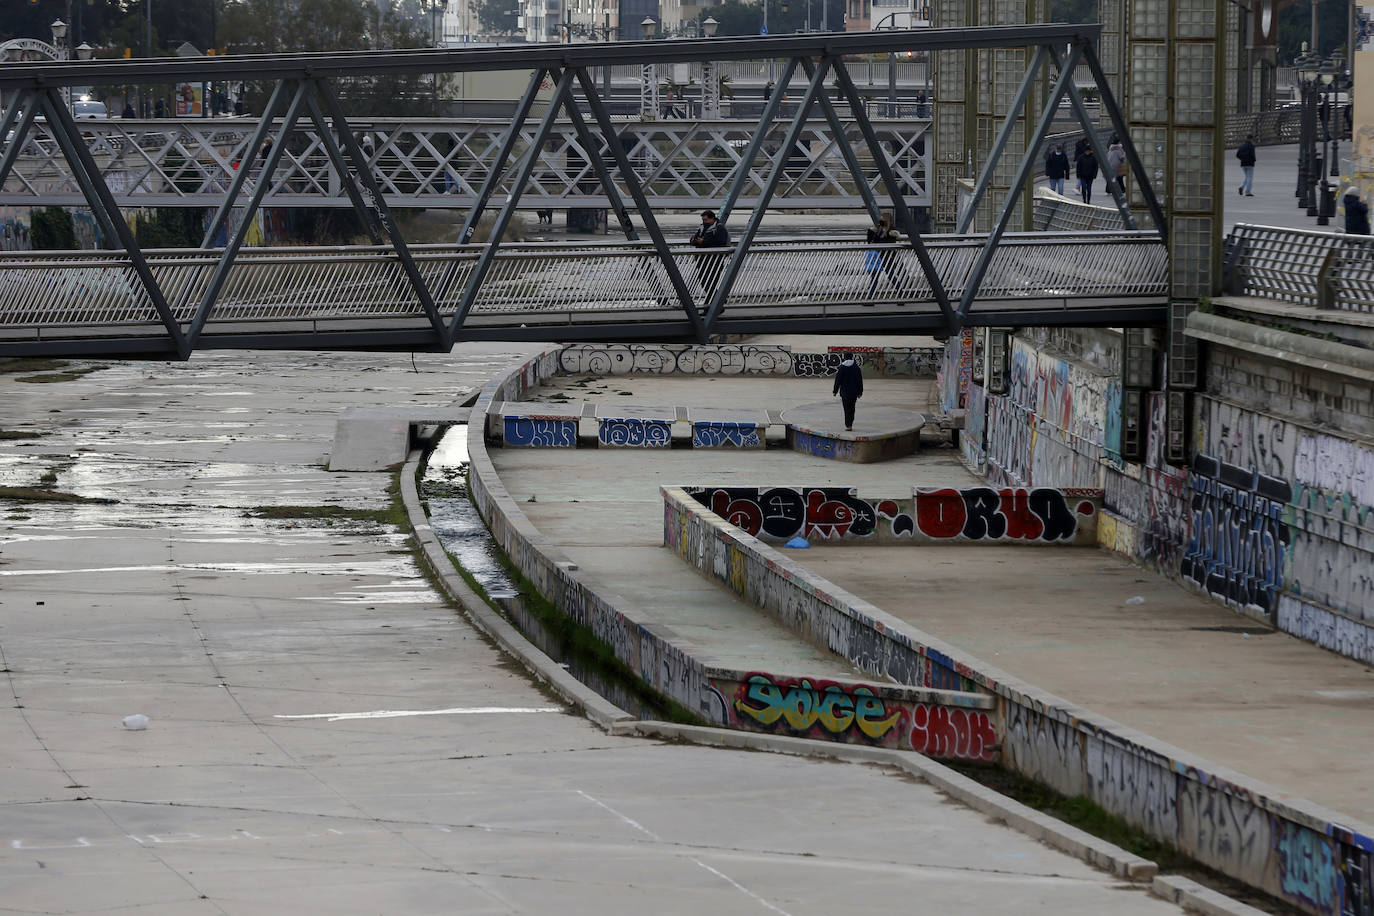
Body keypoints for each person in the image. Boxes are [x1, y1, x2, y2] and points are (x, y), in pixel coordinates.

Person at [689, 209, 730, 303]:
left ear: (713, 219)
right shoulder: (702, 228)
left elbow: (721, 242)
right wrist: (694, 241)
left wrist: (703, 242)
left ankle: (713, 306)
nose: (704, 222)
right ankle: (718, 302)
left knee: (710, 283)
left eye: (706, 220)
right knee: (704, 281)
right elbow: (693, 238)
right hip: (702, 259)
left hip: (714, 260)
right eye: (703, 220)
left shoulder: (720, 228)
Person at [864, 215, 900, 299]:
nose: (881, 222)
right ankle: (870, 296)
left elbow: (886, 243)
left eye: (882, 220)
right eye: (880, 220)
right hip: (878, 256)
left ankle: (901, 292)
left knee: (890, 275)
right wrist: (870, 231)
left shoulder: (892, 232)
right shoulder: (880, 229)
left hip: (887, 257)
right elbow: (871, 242)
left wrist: (878, 235)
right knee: (875, 277)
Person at [832, 352, 863, 431]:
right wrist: (860, 392)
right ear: (852, 357)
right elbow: (859, 380)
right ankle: (850, 423)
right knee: (852, 408)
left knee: (846, 408)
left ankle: (848, 425)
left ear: (844, 357)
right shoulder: (856, 367)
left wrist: (835, 391)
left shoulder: (842, 367)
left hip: (845, 392)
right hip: (854, 392)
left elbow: (838, 380)